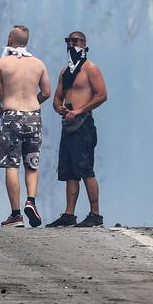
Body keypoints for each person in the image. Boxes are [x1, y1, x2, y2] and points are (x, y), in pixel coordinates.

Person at [0, 24, 51, 227]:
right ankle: (30, 201)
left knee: (11, 164)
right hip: (33, 116)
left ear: (10, 39)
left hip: (11, 116)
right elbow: (47, 92)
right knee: (31, 162)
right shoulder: (39, 64)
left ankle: (16, 215)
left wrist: (1, 110)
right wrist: (32, 105)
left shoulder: (1, 63)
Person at [46, 30, 107, 227]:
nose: (71, 44)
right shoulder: (66, 71)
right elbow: (57, 98)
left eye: (75, 41)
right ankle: (69, 214)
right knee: (69, 171)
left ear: (84, 44)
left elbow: (102, 95)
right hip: (68, 124)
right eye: (68, 41)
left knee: (85, 169)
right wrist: (59, 107)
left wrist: (79, 110)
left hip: (84, 124)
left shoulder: (90, 68)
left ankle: (95, 214)